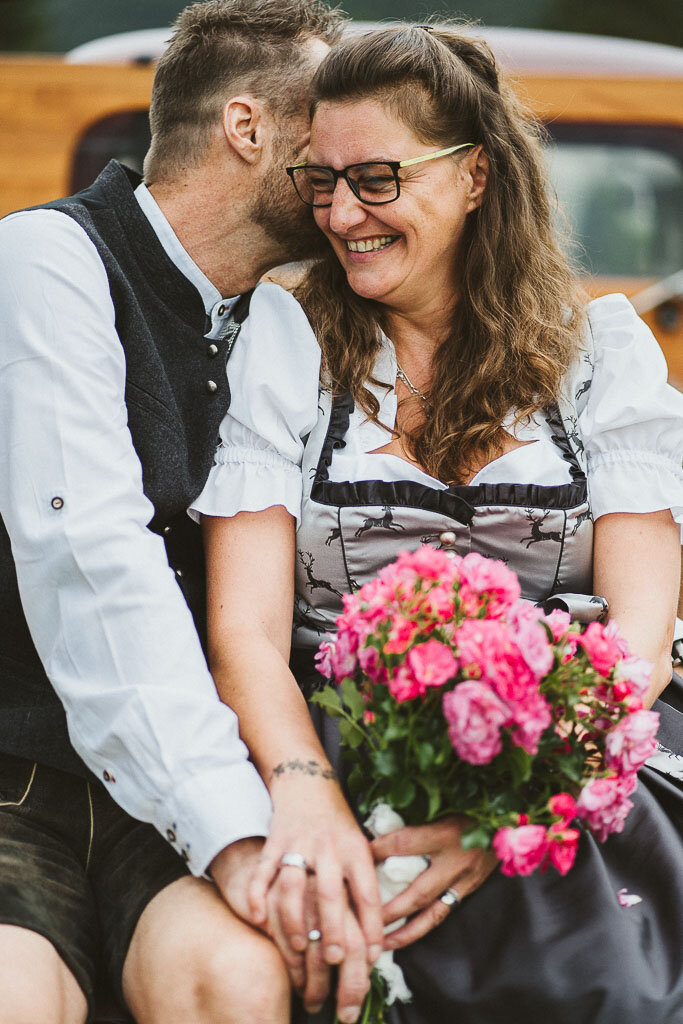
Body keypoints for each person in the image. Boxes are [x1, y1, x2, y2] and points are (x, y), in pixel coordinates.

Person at [193, 23, 683, 1024]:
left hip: (567, 746)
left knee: (596, 977)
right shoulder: (287, 341)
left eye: (375, 178)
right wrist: (304, 791)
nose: (339, 213)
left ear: (472, 176)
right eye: (318, 181)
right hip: (336, 741)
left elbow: (636, 635)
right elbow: (244, 631)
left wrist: (512, 808)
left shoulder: (599, 351)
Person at [0, 3, 387, 1023]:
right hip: (14, 778)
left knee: (244, 979)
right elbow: (89, 560)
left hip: (161, 795)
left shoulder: (275, 322)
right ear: (248, 128)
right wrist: (239, 830)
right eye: (330, 125)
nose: (354, 157)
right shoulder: (44, 262)